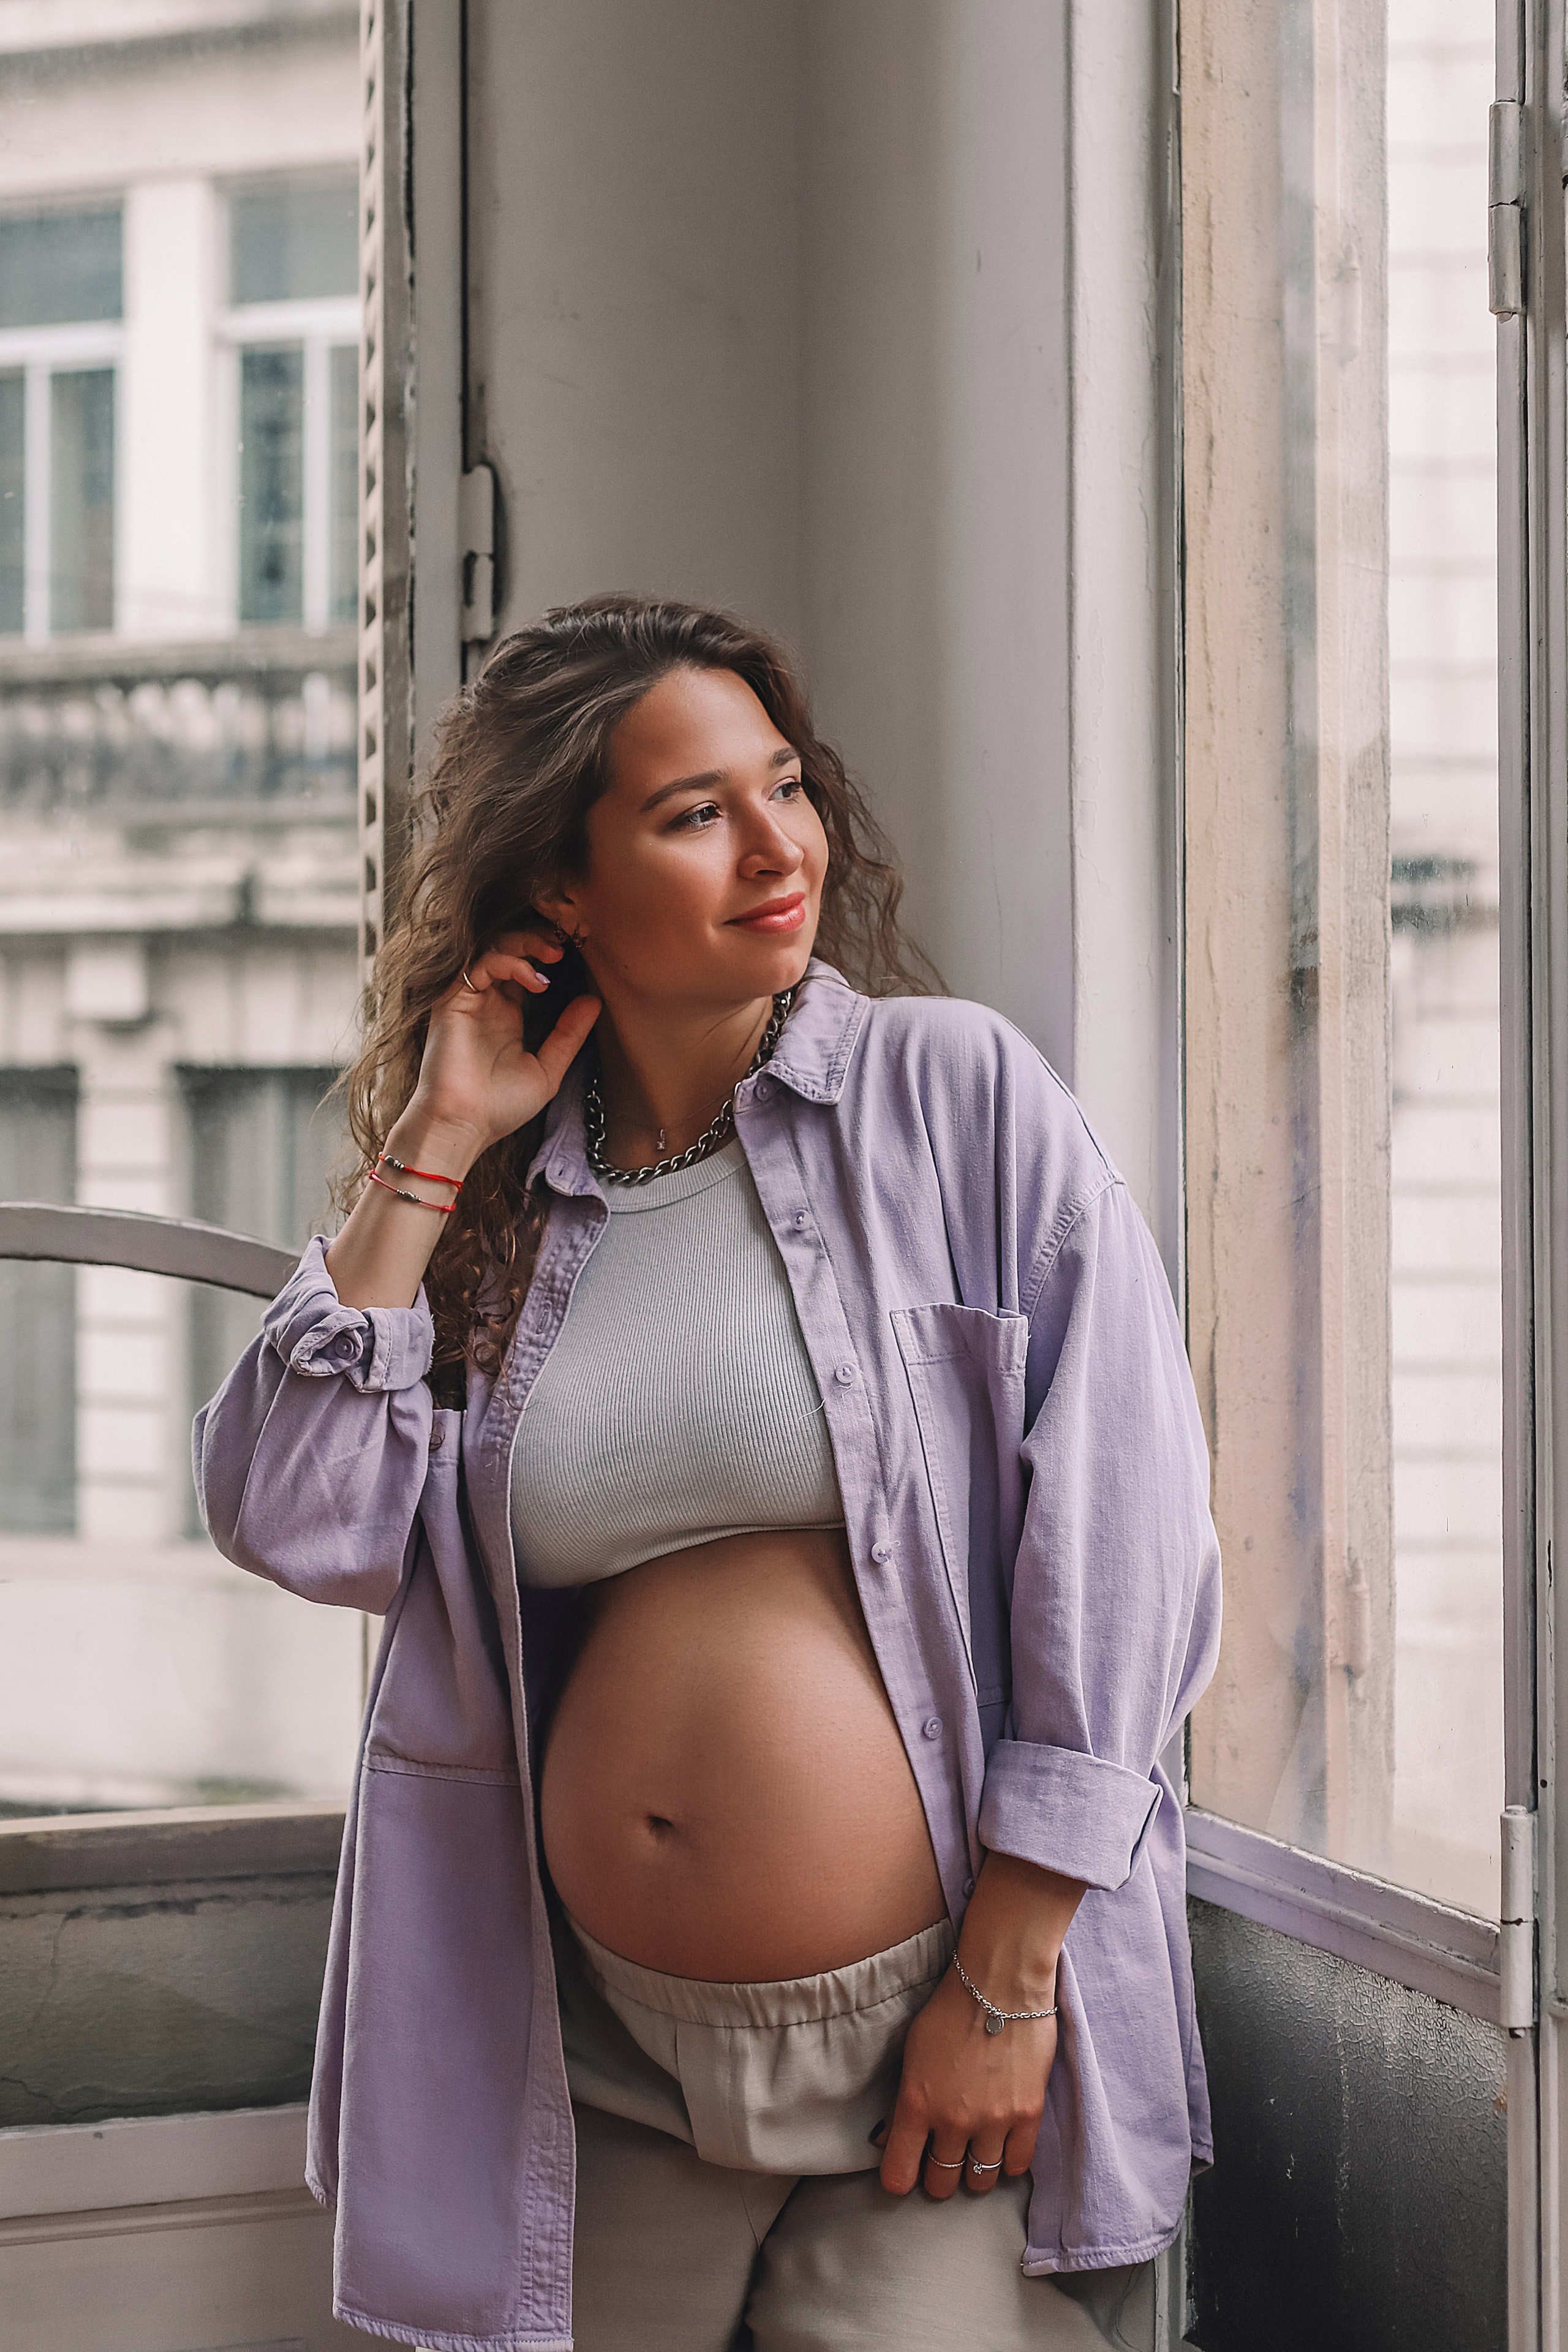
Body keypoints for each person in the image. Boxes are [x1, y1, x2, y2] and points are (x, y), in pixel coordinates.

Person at [194, 594, 1221, 2352]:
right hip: (588, 2039)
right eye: (694, 813)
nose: (778, 845)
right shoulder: (499, 1205)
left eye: (787, 786)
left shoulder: (948, 1098)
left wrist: (1012, 1976)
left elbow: (1130, 1537)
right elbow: (294, 1514)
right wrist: (438, 1145)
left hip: (932, 2014)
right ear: (561, 890)